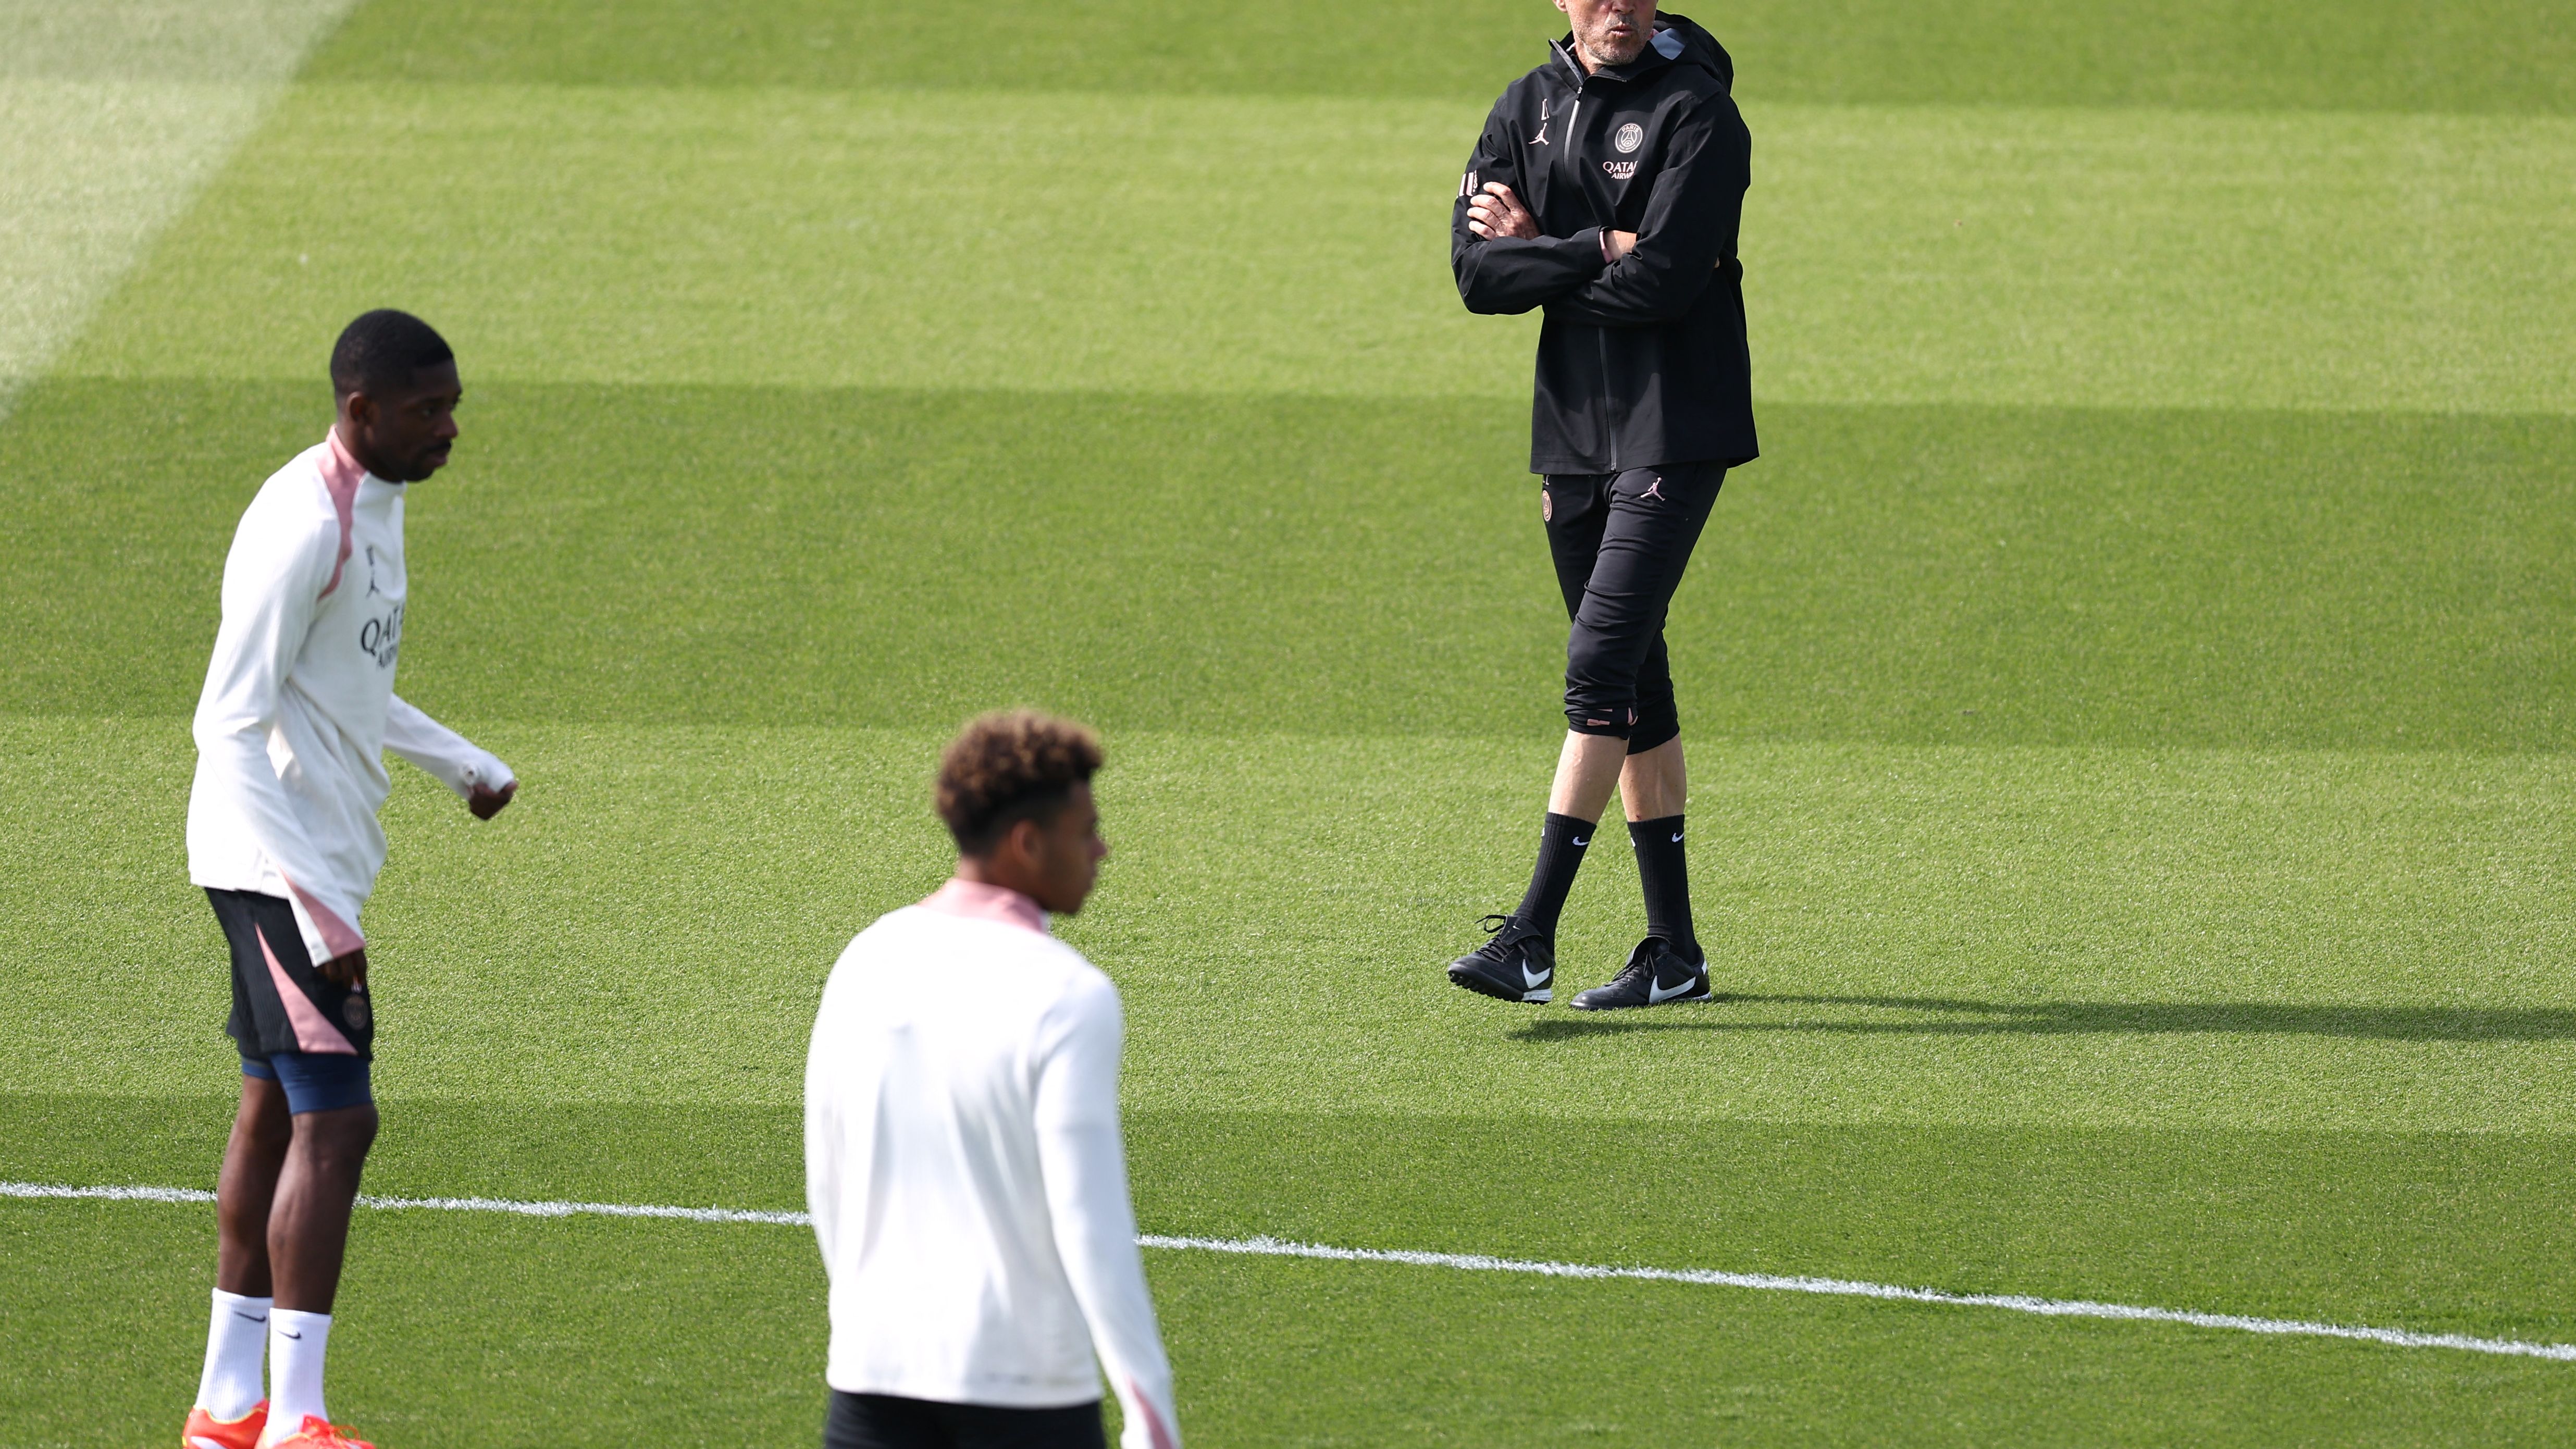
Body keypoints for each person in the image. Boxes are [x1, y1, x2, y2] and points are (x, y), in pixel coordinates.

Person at [182, 310, 517, 1449]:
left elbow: (344, 686)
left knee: (276, 1107)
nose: (450, 428)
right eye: (429, 410)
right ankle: (298, 1418)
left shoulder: (378, 500)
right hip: (276, 864)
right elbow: (226, 723)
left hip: (304, 864)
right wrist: (318, 907)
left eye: (453, 405)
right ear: (361, 409)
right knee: (340, 1118)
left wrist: (460, 761)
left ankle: (231, 1405)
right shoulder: (302, 526)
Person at [1443, 0, 1757, 1010]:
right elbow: (1475, 274)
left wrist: (1544, 251)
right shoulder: (1525, 106)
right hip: (1574, 438)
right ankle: (1675, 953)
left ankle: (1531, 937)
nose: (1616, 4)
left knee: (1598, 664)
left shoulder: (1699, 113)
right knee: (1634, 680)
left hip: (1678, 425)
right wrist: (1595, 246)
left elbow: (1665, 282)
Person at [804, 712, 1180, 1449]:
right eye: (1087, 831)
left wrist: (866, 1326)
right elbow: (1089, 1219)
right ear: (1028, 843)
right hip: (1027, 1391)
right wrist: (1151, 1413)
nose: (1101, 850)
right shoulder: (1067, 994)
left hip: (870, 1382)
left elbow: (828, 1172)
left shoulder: (867, 956)